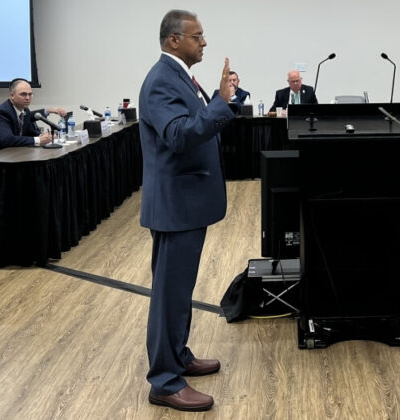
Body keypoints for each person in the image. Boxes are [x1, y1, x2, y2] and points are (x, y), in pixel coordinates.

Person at [138, 9, 236, 412]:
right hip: (175, 205)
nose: (205, 42)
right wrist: (220, 102)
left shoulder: (179, 76)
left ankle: (178, 356)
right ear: (173, 40)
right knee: (169, 293)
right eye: (198, 36)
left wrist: (222, 99)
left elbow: (195, 122)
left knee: (180, 290)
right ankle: (164, 380)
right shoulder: (161, 80)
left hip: (186, 202)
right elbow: (179, 135)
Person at [0, 78, 66, 157]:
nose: (28, 98)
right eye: (23, 94)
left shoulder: (24, 110)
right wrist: (38, 140)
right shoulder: (1, 112)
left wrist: (44, 137)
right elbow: (7, 140)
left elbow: (30, 127)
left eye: (30, 94)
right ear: (12, 96)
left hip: (7, 155)